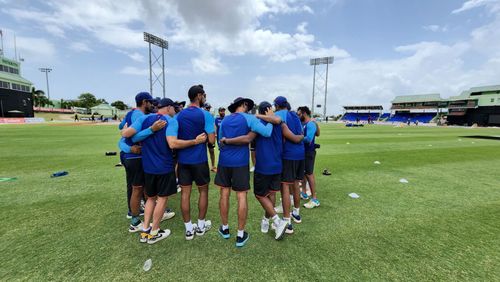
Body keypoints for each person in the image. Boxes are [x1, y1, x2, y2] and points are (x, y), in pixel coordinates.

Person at [126, 98, 207, 244]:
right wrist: (195, 141)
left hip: (148, 166)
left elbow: (128, 135)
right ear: (169, 108)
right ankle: (155, 232)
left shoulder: (144, 119)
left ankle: (145, 231)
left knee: (151, 198)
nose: (175, 111)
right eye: (174, 108)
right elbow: (172, 143)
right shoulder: (170, 121)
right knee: (162, 199)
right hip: (164, 166)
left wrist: (149, 130)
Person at [221, 101, 303, 241]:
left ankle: (277, 221)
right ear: (270, 110)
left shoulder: (257, 124)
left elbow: (250, 140)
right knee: (271, 193)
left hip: (263, 166)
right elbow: (289, 137)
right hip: (277, 165)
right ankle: (266, 219)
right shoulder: (281, 123)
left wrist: (227, 141)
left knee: (260, 195)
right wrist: (301, 136)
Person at [215, 97, 275, 247]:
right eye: (247, 105)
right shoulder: (249, 118)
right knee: (241, 196)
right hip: (240, 163)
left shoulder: (225, 120)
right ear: (243, 105)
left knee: (224, 194)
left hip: (224, 161)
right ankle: (240, 234)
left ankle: (225, 228)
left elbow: (220, 142)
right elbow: (267, 132)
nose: (248, 107)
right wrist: (271, 118)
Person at [175, 85, 216, 240]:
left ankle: (188, 229)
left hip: (183, 160)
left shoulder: (179, 116)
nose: (205, 97)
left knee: (185, 193)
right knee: (203, 191)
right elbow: (211, 140)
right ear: (199, 96)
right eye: (204, 94)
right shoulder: (205, 114)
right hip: (199, 160)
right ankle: (200, 226)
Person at [119, 92, 156, 232]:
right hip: (134, 157)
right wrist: (152, 129)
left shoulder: (131, 113)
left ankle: (136, 213)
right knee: (137, 188)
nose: (152, 105)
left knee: (134, 186)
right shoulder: (139, 115)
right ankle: (135, 220)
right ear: (144, 102)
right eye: (151, 102)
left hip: (128, 155)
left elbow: (121, 129)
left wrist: (126, 145)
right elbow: (129, 136)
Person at [273, 96, 305, 234]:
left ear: (277, 105)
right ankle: (296, 213)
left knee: (285, 186)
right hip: (300, 154)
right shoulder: (295, 115)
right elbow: (301, 134)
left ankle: (287, 220)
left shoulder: (279, 114)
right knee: (296, 183)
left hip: (288, 155)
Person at [297, 106, 320, 209]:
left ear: (304, 113)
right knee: (303, 173)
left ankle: (314, 199)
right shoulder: (302, 123)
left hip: (309, 152)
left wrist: (295, 138)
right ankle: (304, 193)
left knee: (309, 174)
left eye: (299, 114)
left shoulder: (310, 124)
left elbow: (309, 139)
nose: (298, 116)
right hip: (302, 152)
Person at [204, 103, 217, 172]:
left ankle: (213, 166)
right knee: (203, 151)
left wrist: (214, 134)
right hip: (203, 135)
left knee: (212, 151)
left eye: (209, 108)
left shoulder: (211, 116)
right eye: (207, 108)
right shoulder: (202, 115)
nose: (208, 109)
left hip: (210, 135)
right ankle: (204, 167)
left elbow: (214, 125)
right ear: (204, 108)